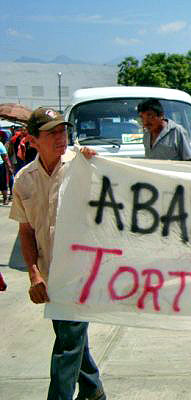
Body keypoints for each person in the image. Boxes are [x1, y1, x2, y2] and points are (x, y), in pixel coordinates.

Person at [9, 107, 106, 400]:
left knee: (67, 346)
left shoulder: (82, 165)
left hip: (81, 273)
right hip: (50, 274)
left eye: (62, 131)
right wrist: (34, 273)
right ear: (32, 139)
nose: (60, 137)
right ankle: (93, 391)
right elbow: (26, 231)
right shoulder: (24, 180)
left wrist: (98, 163)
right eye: (51, 133)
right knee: (71, 338)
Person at [0, 130, 14, 204]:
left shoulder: (0, 144)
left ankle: (5, 198)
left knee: (3, 183)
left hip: (0, 166)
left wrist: (9, 168)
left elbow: (5, 157)